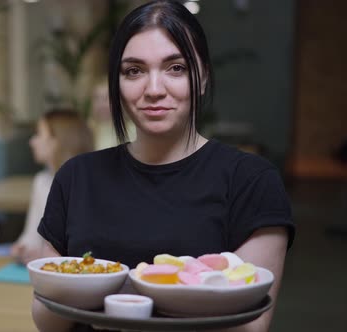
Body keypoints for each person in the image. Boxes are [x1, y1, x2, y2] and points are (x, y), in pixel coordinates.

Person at [32, 1, 295, 331]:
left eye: (176, 68)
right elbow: (47, 322)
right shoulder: (76, 177)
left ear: (202, 79)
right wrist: (68, 286)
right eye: (134, 71)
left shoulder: (252, 181)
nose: (153, 90)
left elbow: (249, 326)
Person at [11, 110, 94, 264]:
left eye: (38, 134)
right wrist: (23, 248)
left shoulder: (91, 182)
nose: (32, 141)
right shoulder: (41, 181)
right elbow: (31, 235)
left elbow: (90, 249)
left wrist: (43, 257)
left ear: (57, 141)